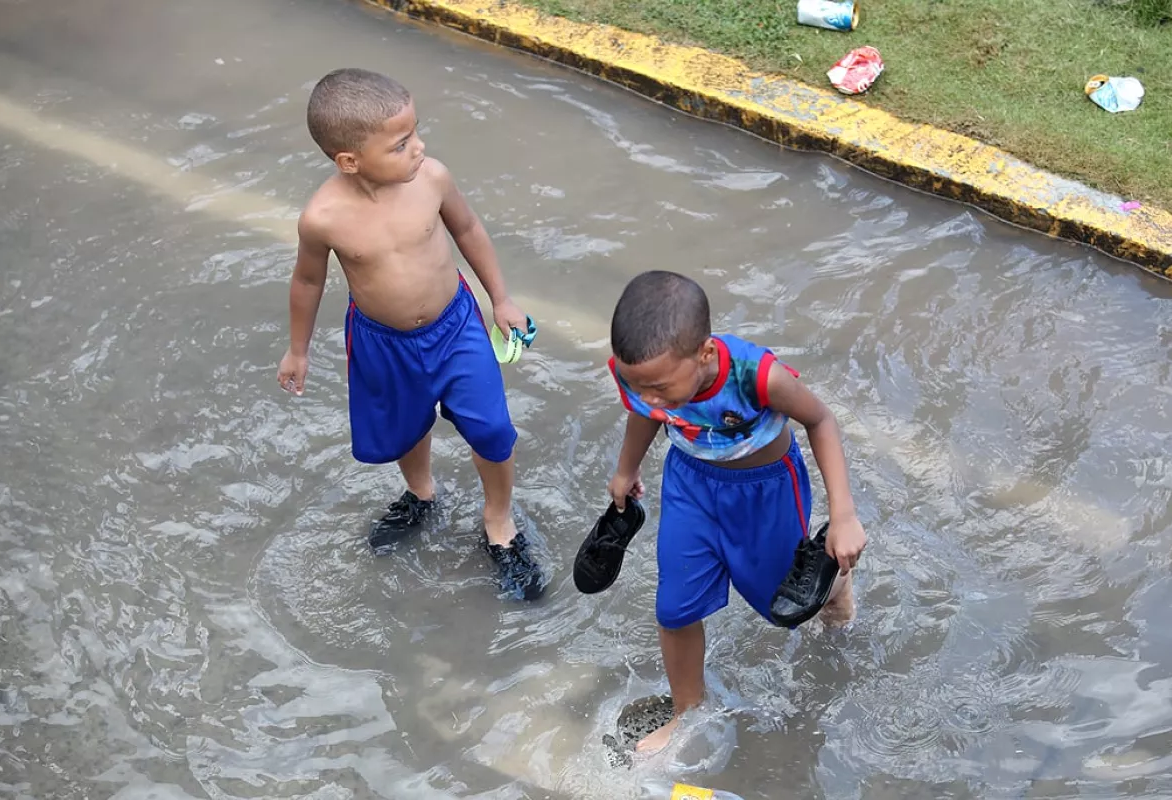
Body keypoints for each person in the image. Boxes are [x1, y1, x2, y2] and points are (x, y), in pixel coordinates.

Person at [275, 67, 542, 599]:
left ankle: (499, 523)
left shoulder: (433, 180)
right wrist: (297, 350)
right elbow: (307, 280)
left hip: (456, 327)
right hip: (382, 343)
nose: (418, 148)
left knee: (491, 429)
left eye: (417, 132)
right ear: (349, 160)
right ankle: (422, 495)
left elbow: (468, 230)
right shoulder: (322, 218)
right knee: (404, 426)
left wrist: (501, 299)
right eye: (401, 144)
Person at [604, 270, 867, 752]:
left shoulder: (757, 377)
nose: (649, 397)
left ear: (704, 354)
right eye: (636, 385)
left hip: (764, 491)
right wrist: (626, 469)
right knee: (675, 606)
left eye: (659, 387)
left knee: (783, 608)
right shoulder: (646, 379)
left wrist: (844, 514)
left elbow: (821, 420)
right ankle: (687, 712)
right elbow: (646, 413)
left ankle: (835, 582)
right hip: (690, 486)